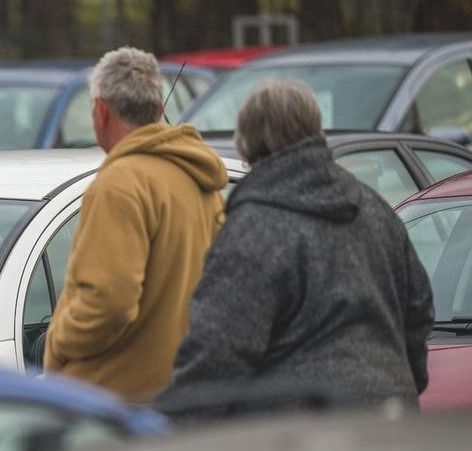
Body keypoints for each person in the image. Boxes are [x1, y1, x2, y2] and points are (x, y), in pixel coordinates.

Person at [158, 80, 433, 415]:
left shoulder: (254, 228)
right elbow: (418, 309)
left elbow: (217, 350)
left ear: (246, 146)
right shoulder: (374, 208)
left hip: (299, 439)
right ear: (316, 131)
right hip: (391, 417)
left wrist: (173, 427)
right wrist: (401, 380)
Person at [44, 47, 228, 401]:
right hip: (184, 389)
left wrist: (58, 340)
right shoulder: (199, 178)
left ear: (100, 110)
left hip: (117, 399)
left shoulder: (119, 184)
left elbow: (109, 301)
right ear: (159, 110)